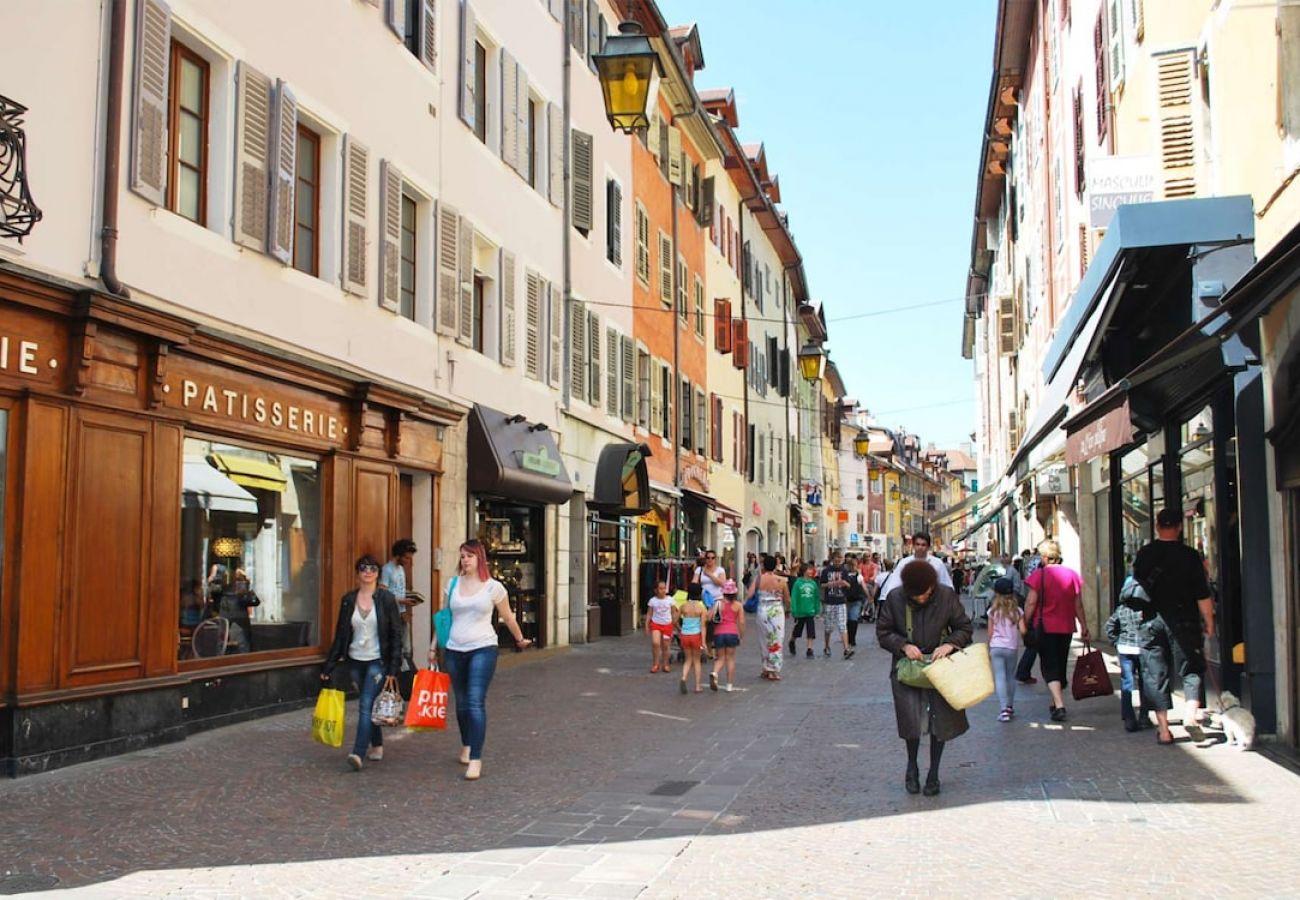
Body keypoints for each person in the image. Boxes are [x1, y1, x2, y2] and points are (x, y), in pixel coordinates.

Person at [427, 539, 532, 780]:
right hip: (454, 649)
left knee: (475, 701)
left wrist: (519, 638)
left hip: (483, 648)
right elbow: (444, 618)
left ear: (480, 559)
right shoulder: (452, 584)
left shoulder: (493, 587)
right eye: (462, 555)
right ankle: (466, 743)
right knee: (462, 703)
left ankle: (475, 758)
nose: (465, 560)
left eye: (470, 556)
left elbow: (508, 616)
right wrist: (433, 647)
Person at [876, 560, 973, 796]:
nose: (921, 599)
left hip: (940, 668)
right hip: (908, 668)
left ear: (932, 586)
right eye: (915, 595)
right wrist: (903, 645)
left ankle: (934, 773)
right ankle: (912, 767)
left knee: (940, 721)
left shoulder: (947, 596)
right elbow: (883, 632)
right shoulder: (896, 598)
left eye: (926, 594)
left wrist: (950, 644)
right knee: (911, 721)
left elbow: (964, 628)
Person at [1132, 508, 1216, 743]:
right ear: (1180, 527)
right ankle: (1190, 716)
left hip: (1151, 620)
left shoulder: (1145, 554)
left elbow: (1135, 586)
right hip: (1184, 620)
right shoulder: (1190, 556)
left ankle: (1164, 730)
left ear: (1157, 526)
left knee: (1155, 672)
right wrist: (1209, 621)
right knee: (1191, 667)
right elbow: (1202, 594)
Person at [320, 554, 404, 771]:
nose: (368, 572)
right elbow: (340, 634)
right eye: (364, 568)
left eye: (373, 568)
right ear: (357, 573)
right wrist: (329, 665)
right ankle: (376, 744)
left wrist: (393, 668)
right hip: (355, 660)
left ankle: (357, 752)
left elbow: (396, 634)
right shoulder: (348, 599)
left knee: (366, 704)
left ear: (378, 573)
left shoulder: (386, 599)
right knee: (370, 703)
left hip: (378, 660)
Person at [1020, 540, 1088, 722]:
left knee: (1049, 665)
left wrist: (1025, 621)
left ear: (1044, 557)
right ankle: (1054, 700)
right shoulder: (1072, 575)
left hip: (1045, 627)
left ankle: (1059, 705)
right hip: (1066, 626)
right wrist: (1084, 625)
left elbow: (1031, 602)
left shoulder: (1039, 576)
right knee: (1060, 663)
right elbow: (1078, 605)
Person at [1105, 576, 1150, 733]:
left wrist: (1115, 642)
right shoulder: (1145, 609)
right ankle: (1144, 715)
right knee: (1145, 683)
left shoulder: (1122, 609)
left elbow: (1109, 625)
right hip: (1143, 648)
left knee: (1127, 683)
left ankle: (1129, 717)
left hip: (1125, 648)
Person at [876, 532, 954, 599]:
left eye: (923, 545)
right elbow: (895, 584)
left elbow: (946, 584)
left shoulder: (937, 563)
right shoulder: (904, 563)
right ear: (913, 545)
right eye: (917, 544)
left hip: (932, 603)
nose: (920, 547)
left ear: (928, 547)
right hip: (909, 601)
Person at [987, 577, 1021, 722]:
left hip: (996, 646)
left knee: (999, 677)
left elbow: (990, 632)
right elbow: (1024, 629)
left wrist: (989, 646)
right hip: (1011, 647)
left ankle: (1003, 710)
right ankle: (1010, 706)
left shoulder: (992, 611)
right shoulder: (1018, 611)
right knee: (1010, 677)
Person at [380, 538, 420, 655]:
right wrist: (401, 600)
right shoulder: (387, 569)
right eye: (406, 557)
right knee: (395, 645)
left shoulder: (401, 569)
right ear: (398, 555)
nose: (408, 561)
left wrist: (411, 596)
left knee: (406, 647)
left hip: (402, 612)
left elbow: (398, 589)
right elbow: (383, 593)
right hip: (390, 614)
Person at [752, 558, 790, 681]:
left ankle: (765, 668)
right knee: (777, 638)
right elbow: (787, 599)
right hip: (777, 611)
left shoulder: (759, 579)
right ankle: (774, 670)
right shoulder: (782, 580)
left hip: (762, 610)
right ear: (775, 566)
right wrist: (787, 610)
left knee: (764, 639)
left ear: (763, 566)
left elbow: (749, 594)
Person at [709, 580, 745, 692]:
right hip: (732, 632)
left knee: (720, 658)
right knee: (730, 658)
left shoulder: (718, 603)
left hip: (719, 633)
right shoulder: (738, 605)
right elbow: (742, 622)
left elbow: (710, 617)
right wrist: (741, 635)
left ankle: (715, 673)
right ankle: (729, 685)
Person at [818, 550, 854, 659]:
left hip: (841, 601)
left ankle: (846, 649)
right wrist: (830, 584)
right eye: (836, 558)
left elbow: (849, 585)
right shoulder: (826, 571)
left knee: (843, 626)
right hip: (829, 602)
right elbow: (821, 585)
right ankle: (827, 646)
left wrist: (844, 583)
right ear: (832, 559)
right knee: (828, 627)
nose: (838, 560)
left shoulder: (844, 571)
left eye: (840, 558)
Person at [676, 584, 708, 693]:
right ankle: (698, 686)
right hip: (696, 635)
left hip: (685, 635)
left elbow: (674, 620)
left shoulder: (683, 606)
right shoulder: (701, 607)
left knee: (688, 660)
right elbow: (703, 625)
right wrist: (703, 641)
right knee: (697, 661)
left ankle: (684, 677)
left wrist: (680, 629)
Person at [787, 563, 822, 658]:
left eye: (811, 570)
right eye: (809, 570)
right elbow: (794, 597)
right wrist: (793, 609)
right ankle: (792, 641)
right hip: (800, 611)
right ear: (804, 571)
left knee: (811, 630)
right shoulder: (798, 583)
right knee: (798, 629)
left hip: (810, 611)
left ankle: (809, 648)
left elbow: (816, 597)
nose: (811, 572)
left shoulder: (813, 583)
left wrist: (817, 609)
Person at [646, 580, 675, 674]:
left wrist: (674, 624)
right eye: (660, 588)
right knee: (655, 643)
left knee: (666, 646)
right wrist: (647, 625)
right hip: (656, 624)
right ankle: (655, 664)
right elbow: (649, 614)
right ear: (656, 590)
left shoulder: (670, 600)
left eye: (664, 588)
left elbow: (673, 612)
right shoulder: (652, 601)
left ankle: (665, 664)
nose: (663, 590)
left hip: (667, 624)